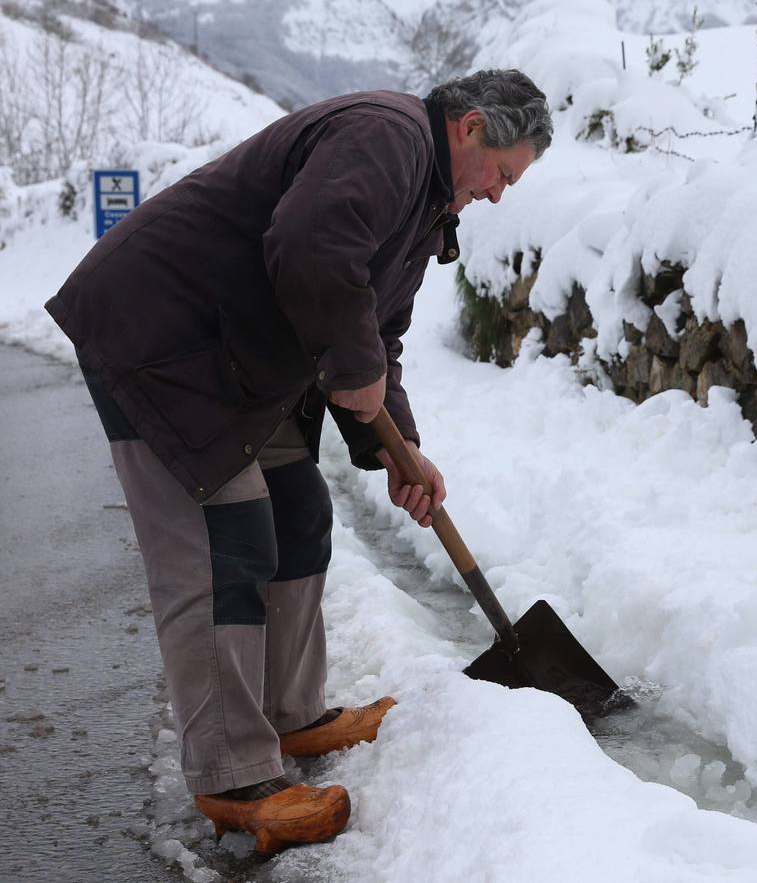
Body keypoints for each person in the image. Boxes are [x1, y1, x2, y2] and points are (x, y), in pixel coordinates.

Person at [45, 69, 552, 855]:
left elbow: (374, 339)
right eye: (505, 174)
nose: (498, 195)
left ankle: (289, 714)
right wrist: (356, 368)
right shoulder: (386, 135)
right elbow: (310, 247)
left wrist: (397, 450)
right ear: (473, 128)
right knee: (227, 539)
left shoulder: (423, 206)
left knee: (297, 513)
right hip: (162, 339)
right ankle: (233, 773)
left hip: (241, 359)